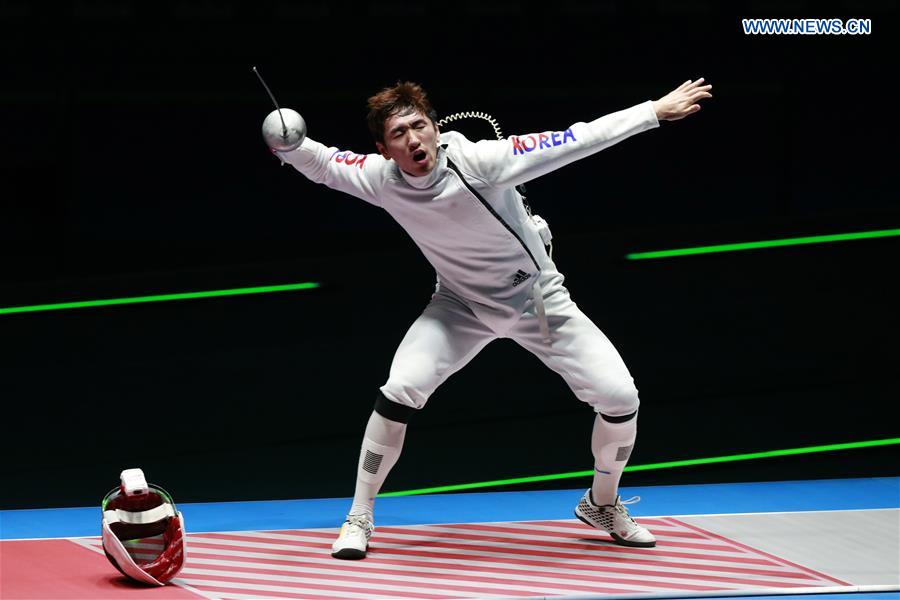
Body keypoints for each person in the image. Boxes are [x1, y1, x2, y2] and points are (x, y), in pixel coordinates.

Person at [268, 78, 712, 559]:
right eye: (399, 134)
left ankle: (601, 503)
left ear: (436, 128)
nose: (413, 139)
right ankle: (359, 516)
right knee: (400, 389)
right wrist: (286, 143)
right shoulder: (381, 178)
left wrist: (652, 111)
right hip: (459, 305)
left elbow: (575, 139)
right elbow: (324, 163)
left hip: (537, 301)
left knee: (621, 396)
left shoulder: (481, 162)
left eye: (419, 126)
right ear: (385, 147)